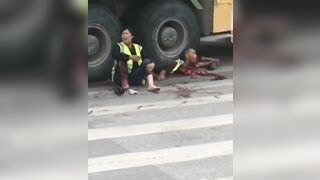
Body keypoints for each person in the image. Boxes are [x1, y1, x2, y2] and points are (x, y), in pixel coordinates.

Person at [112, 29, 160, 94]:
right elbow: (115, 55)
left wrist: (152, 63)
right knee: (122, 61)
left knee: (147, 61)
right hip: (121, 78)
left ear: (132, 36)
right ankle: (126, 86)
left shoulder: (138, 47)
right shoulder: (118, 46)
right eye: (123, 34)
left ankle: (151, 85)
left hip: (136, 77)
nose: (124, 36)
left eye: (126, 33)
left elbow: (146, 57)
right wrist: (130, 57)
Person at [156, 48, 226, 80]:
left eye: (195, 53)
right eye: (193, 53)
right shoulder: (179, 63)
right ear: (187, 56)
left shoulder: (194, 62)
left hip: (198, 65)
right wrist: (162, 75)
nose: (195, 55)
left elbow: (201, 61)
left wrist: (212, 60)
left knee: (206, 64)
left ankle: (212, 64)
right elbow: (166, 68)